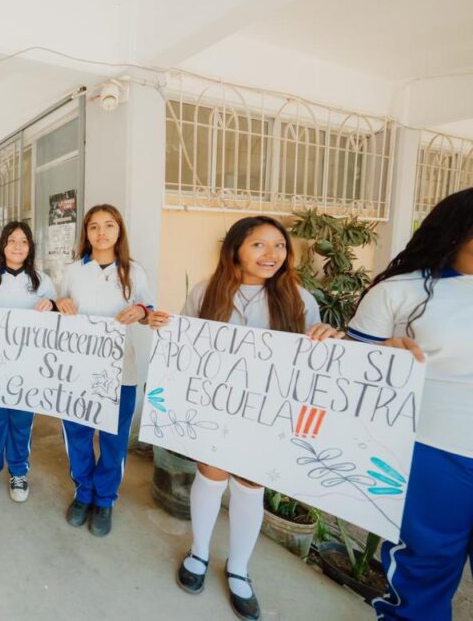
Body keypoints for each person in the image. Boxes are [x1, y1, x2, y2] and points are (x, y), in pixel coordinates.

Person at [170, 215, 342, 621]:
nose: (271, 254)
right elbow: (185, 343)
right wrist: (165, 327)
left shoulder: (300, 299)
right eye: (259, 245)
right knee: (210, 476)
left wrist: (329, 337)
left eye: (279, 245)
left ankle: (239, 569)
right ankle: (199, 552)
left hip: (267, 417)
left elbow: (316, 358)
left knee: (250, 485)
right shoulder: (205, 291)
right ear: (236, 250)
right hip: (215, 408)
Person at [347, 188, 473, 621]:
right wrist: (379, 354)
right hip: (432, 452)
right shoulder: (401, 291)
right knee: (425, 566)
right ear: (457, 230)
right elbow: (349, 371)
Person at [56, 204, 157, 537]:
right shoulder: (73, 271)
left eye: (109, 225)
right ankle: (83, 492)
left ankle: (105, 499)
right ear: (86, 233)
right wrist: (59, 304)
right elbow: (58, 308)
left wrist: (141, 311)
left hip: (120, 369)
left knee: (114, 437)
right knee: (78, 432)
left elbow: (149, 311)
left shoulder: (133, 271)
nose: (101, 232)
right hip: (78, 367)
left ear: (119, 230)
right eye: (94, 226)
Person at [0, 222, 56, 502]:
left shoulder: (42, 282)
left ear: (30, 247)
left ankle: (19, 471)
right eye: (11, 240)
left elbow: (57, 320)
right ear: (2, 246)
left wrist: (52, 306)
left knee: (21, 420)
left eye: (23, 241)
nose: (17, 246)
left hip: (28, 366)